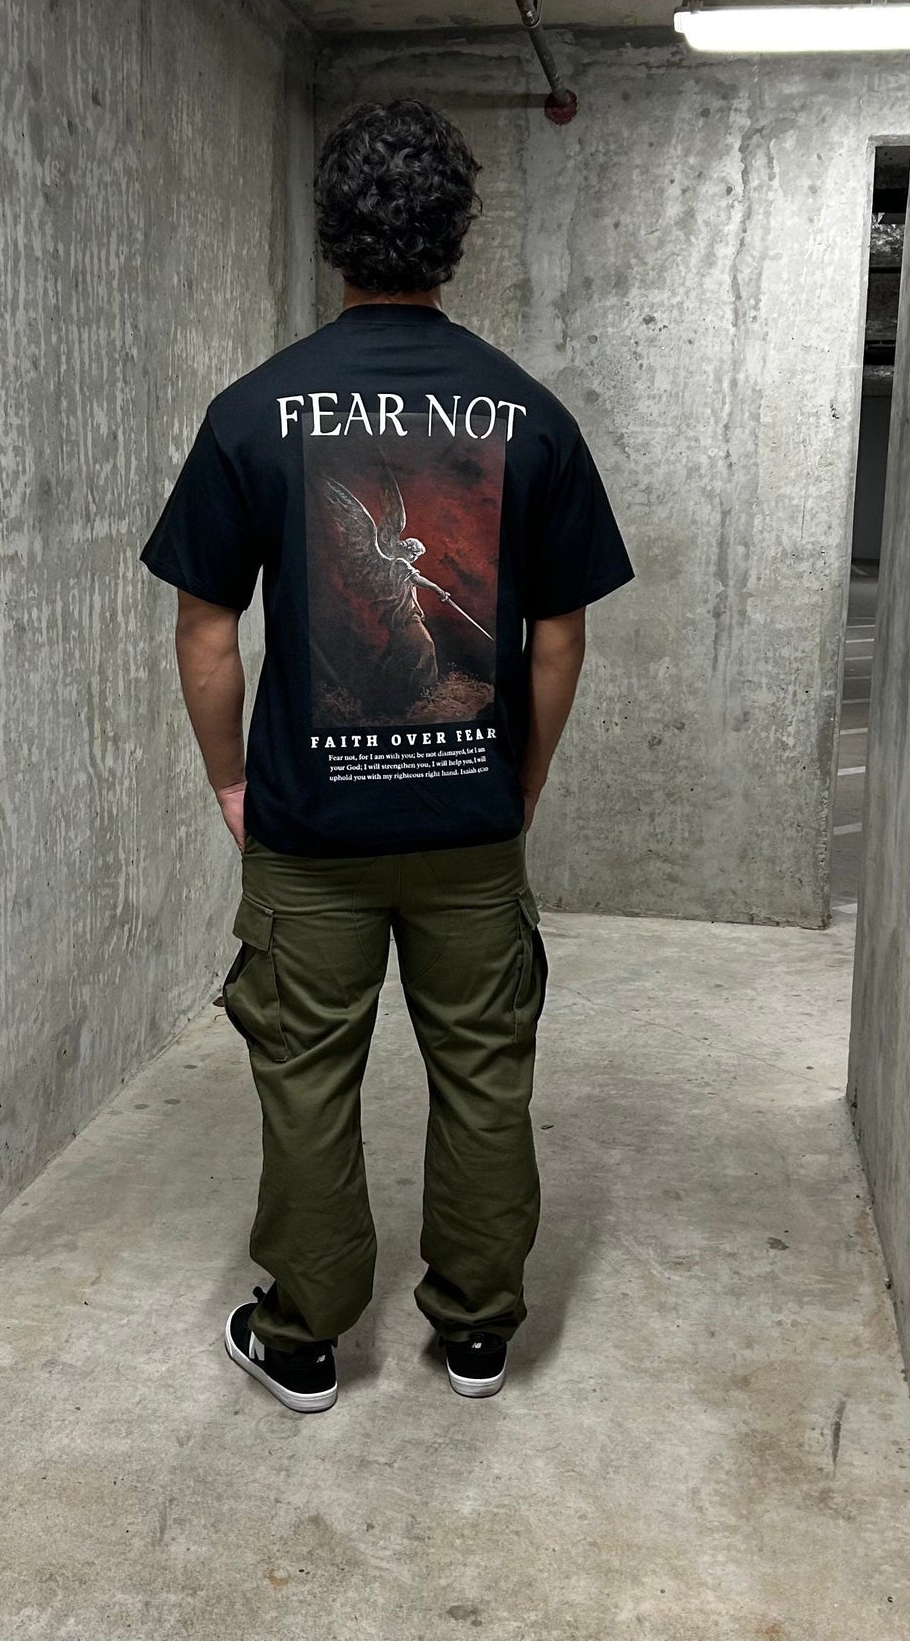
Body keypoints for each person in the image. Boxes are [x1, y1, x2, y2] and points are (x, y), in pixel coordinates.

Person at [140, 99, 633, 1413]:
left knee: (306, 1082)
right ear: (457, 234)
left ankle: (304, 1338)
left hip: (310, 836)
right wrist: (522, 778)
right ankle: (476, 1333)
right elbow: (558, 634)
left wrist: (232, 783)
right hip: (470, 829)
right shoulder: (529, 416)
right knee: (485, 1073)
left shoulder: (253, 413)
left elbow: (205, 627)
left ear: (332, 234)